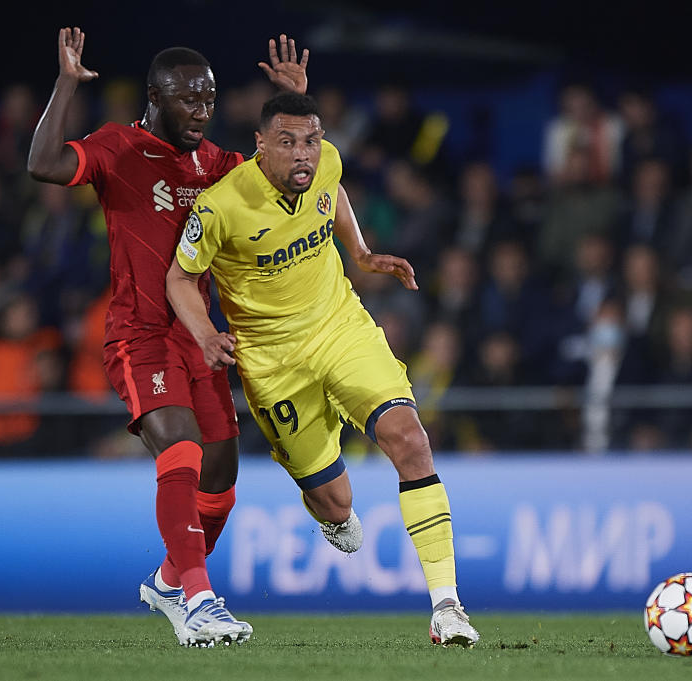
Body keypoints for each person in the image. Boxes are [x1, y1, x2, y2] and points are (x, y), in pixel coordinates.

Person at [26, 26, 309, 647]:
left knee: (222, 481)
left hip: (199, 339)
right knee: (180, 449)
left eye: (208, 99)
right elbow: (43, 164)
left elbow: (297, 187)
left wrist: (291, 110)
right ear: (155, 98)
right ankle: (201, 601)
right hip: (140, 335)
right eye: (188, 99)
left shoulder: (219, 165)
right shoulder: (118, 148)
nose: (202, 111)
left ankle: (168, 582)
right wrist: (66, 85)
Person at [165, 92, 480, 647]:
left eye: (310, 140)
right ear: (259, 146)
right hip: (272, 363)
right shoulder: (221, 206)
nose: (303, 155)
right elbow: (180, 278)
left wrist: (358, 252)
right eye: (286, 142)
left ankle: (447, 606)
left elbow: (332, 192)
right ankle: (332, 516)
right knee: (337, 502)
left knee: (410, 439)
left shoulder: (327, 162)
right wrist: (206, 333)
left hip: (340, 329)